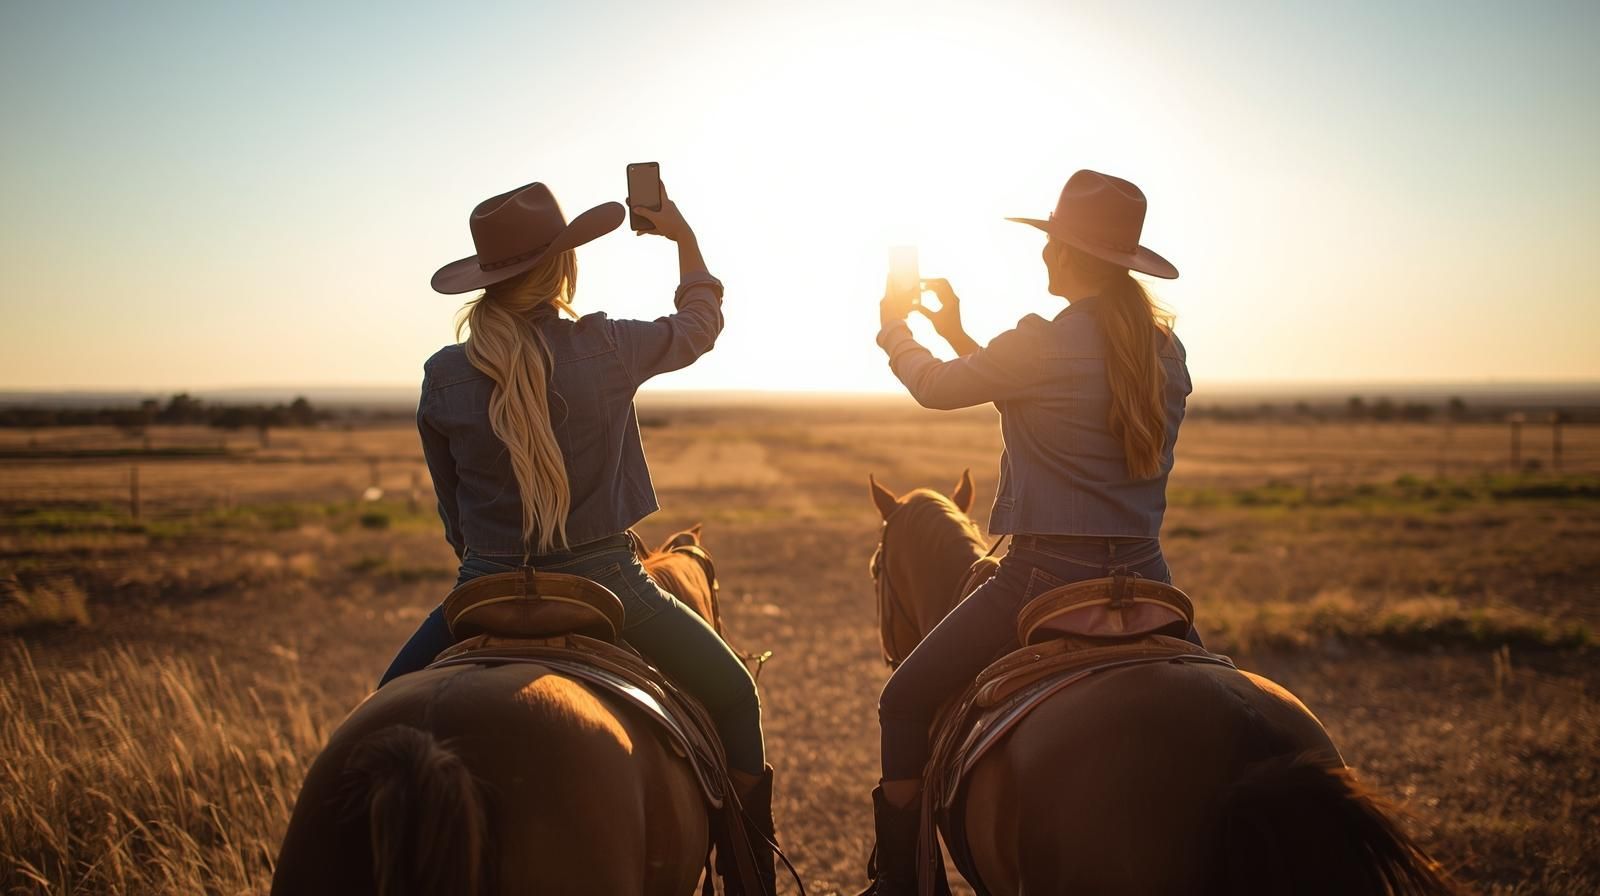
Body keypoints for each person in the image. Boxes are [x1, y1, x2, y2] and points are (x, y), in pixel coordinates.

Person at [382, 180, 775, 891]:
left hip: (483, 586)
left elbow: (454, 517)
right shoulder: (606, 346)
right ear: (562, 266)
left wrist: (493, 571)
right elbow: (699, 324)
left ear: (487, 276)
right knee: (735, 694)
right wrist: (684, 239)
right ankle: (752, 878)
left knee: (378, 726)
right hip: (609, 585)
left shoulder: (443, 375)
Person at [860, 170, 1197, 894]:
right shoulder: (1165, 351)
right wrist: (954, 332)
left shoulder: (1043, 342)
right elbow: (1046, 400)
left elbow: (938, 388)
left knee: (904, 702)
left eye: (1052, 244)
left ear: (1075, 256)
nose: (1044, 257)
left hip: (1042, 579)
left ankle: (901, 884)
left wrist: (897, 327)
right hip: (1151, 580)